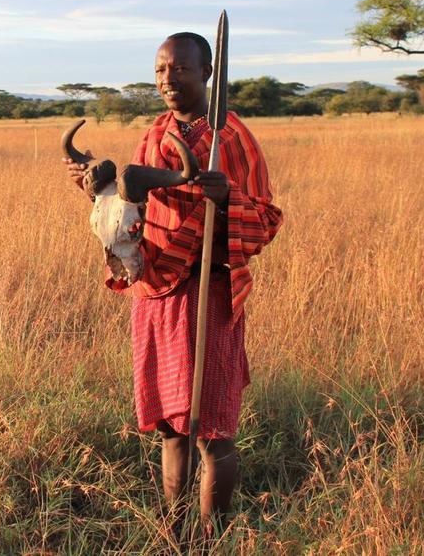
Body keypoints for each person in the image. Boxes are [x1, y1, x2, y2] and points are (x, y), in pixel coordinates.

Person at [64, 33, 283, 536]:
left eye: (180, 69)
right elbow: (131, 214)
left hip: (208, 292)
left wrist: (225, 198)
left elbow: (267, 219)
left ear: (207, 73)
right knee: (170, 430)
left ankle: (212, 537)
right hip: (157, 292)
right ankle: (173, 533)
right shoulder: (154, 134)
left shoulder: (230, 138)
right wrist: (94, 190)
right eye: (161, 69)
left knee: (211, 432)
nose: (168, 79)